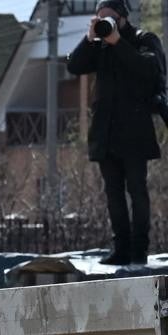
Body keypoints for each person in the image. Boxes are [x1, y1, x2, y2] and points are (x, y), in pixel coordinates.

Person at [66, 0, 165, 266]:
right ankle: (120, 248)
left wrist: (117, 41)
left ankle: (139, 249)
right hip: (105, 131)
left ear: (122, 18)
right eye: (100, 18)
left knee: (137, 190)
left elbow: (148, 70)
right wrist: (90, 39)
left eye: (109, 18)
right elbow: (74, 66)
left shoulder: (143, 39)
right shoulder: (98, 44)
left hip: (134, 132)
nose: (105, 23)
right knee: (113, 193)